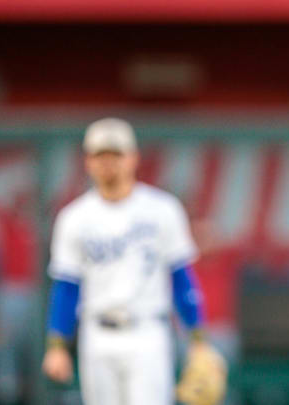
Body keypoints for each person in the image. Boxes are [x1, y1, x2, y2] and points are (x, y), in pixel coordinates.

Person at [41, 118, 226, 405]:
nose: (108, 163)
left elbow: (181, 277)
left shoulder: (162, 209)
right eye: (101, 155)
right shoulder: (74, 218)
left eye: (116, 154)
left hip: (148, 331)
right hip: (97, 333)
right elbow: (66, 286)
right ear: (88, 161)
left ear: (133, 158)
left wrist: (198, 338)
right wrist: (56, 344)